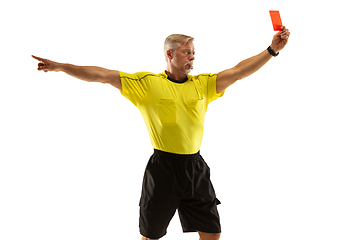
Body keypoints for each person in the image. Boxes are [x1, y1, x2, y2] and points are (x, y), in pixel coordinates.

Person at [32, 26, 290, 240]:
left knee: (212, 232)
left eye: (194, 52)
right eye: (187, 52)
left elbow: (238, 71)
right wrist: (61, 67)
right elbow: (101, 75)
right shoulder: (147, 84)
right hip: (163, 168)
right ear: (170, 53)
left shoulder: (204, 84)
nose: (193, 57)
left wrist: (271, 50)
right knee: (151, 236)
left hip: (195, 167)